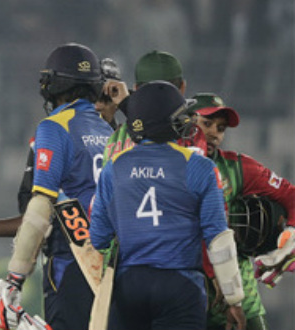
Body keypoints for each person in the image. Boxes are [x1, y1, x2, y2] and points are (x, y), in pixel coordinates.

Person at [89, 81, 246, 330]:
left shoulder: (113, 168)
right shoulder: (201, 167)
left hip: (129, 286)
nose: (186, 122)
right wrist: (234, 299)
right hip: (180, 285)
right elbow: (218, 240)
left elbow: (98, 238)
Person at [0, 43, 113, 330]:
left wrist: (15, 277)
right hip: (112, 265)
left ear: (52, 84)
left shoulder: (54, 127)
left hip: (71, 260)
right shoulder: (110, 132)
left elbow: (40, 210)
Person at [190, 92, 295, 330]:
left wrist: (292, 235)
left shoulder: (238, 167)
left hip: (238, 292)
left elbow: (291, 196)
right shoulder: (167, 164)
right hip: (185, 292)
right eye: (206, 123)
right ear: (187, 122)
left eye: (221, 127)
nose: (214, 133)